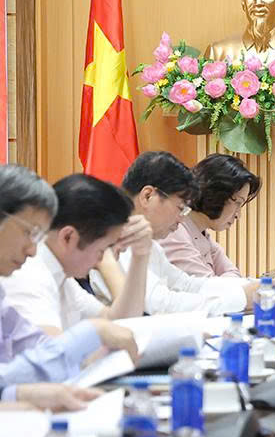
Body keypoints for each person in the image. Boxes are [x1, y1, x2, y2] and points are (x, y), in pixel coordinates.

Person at [0, 166, 137, 410]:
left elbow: (35, 353)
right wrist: (92, 332)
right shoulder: (28, 275)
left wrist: (20, 395)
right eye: (29, 233)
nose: (32, 250)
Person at [97, 152, 256, 314]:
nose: (182, 219)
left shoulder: (149, 242)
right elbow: (159, 305)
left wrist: (254, 287)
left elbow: (187, 284)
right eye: (181, 208)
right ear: (148, 196)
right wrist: (241, 298)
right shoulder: (115, 237)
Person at [3, 173, 150, 334]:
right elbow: (50, 348)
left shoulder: (63, 277)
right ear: (68, 237)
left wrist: (141, 255)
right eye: (102, 250)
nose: (101, 260)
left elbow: (120, 320)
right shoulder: (29, 275)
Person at [161, 154, 275, 280]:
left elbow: (233, 275)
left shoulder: (202, 234)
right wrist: (272, 284)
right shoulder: (174, 233)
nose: (238, 215)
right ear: (216, 194)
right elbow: (209, 290)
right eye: (237, 202)